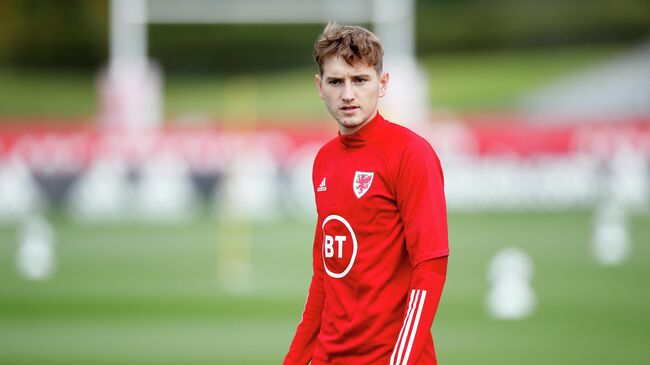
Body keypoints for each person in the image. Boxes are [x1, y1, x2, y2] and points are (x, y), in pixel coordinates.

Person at [284, 23, 449, 365]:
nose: (348, 94)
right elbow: (324, 277)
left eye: (359, 80)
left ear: (382, 83)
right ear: (319, 86)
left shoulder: (410, 154)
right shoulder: (323, 161)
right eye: (336, 81)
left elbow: (430, 266)